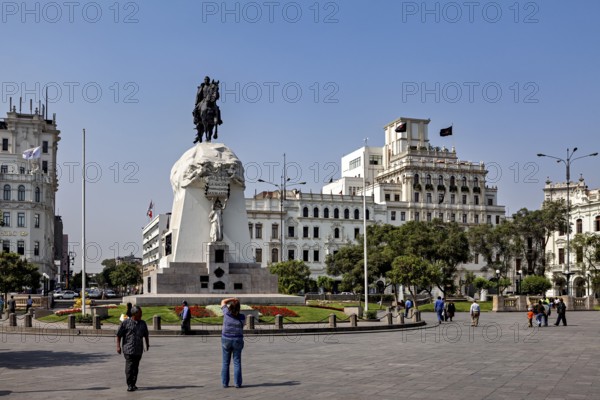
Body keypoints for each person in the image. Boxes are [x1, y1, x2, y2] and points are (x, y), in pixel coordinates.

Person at [116, 305, 149, 392]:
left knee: (136, 367)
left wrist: (147, 344)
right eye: (140, 313)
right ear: (134, 314)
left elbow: (146, 334)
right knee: (130, 367)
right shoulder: (125, 323)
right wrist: (118, 346)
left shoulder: (143, 323)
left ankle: (133, 384)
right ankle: (129, 384)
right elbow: (119, 335)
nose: (141, 315)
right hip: (128, 349)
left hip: (138, 349)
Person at [221, 297, 246, 388]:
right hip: (237, 340)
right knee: (237, 362)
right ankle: (237, 383)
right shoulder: (242, 317)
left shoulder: (226, 313)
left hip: (226, 339)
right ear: (239, 308)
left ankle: (225, 383)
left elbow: (223, 301)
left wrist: (232, 299)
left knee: (225, 362)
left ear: (230, 306)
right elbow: (242, 326)